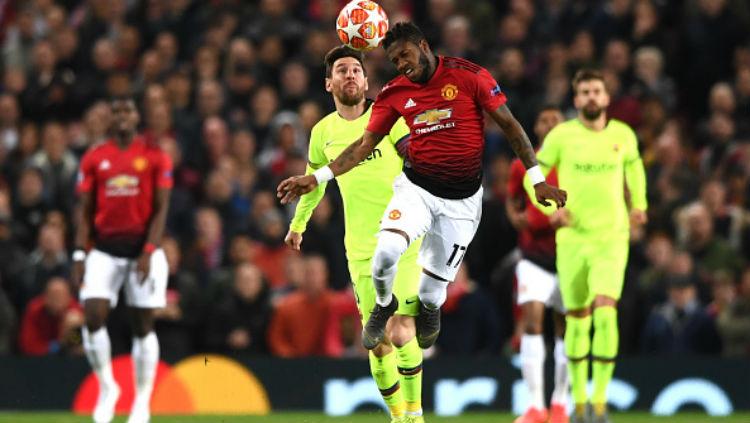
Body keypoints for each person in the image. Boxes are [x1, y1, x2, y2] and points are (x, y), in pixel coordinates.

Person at [278, 22, 566, 356]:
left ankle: (430, 308)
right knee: (385, 251)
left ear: (423, 45)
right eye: (394, 60)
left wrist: (537, 180)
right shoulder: (393, 94)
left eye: (405, 55)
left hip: (462, 202)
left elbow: (511, 127)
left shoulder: (469, 76)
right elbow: (360, 147)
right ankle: (384, 306)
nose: (401, 64)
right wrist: (316, 178)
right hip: (416, 190)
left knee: (431, 293)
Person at [284, 45, 425, 423]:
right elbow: (314, 184)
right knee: (377, 343)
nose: (350, 75)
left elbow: (415, 157)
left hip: (406, 238)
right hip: (361, 248)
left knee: (401, 330)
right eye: (342, 70)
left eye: (356, 70)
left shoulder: (390, 119)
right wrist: (298, 224)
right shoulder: (322, 133)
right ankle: (399, 416)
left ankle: (415, 414)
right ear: (329, 83)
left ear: (366, 80)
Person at [525, 69, 647, 423]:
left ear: (606, 97)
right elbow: (537, 177)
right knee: (577, 321)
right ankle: (579, 404)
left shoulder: (623, 135)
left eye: (597, 91)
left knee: (606, 312)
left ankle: (600, 403)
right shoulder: (562, 136)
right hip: (573, 239)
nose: (592, 97)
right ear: (576, 100)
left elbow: (635, 171)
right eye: (585, 92)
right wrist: (549, 211)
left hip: (611, 236)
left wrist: (639, 205)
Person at [72, 96, 172, 423]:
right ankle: (107, 387)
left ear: (136, 116)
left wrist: (148, 250)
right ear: (109, 119)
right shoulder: (95, 157)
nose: (121, 117)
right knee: (92, 315)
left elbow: (161, 209)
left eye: (127, 111)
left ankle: (141, 401)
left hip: (143, 248)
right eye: (115, 112)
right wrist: (78, 252)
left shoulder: (154, 155)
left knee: (143, 325)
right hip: (104, 248)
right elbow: (84, 211)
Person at [507, 106, 569, 423]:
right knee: (532, 321)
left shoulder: (573, 163)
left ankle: (559, 404)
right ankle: (534, 405)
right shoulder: (522, 166)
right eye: (544, 119)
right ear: (536, 126)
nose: (550, 124)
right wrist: (515, 217)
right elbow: (512, 199)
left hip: (569, 254)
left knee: (564, 328)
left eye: (556, 119)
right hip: (533, 254)